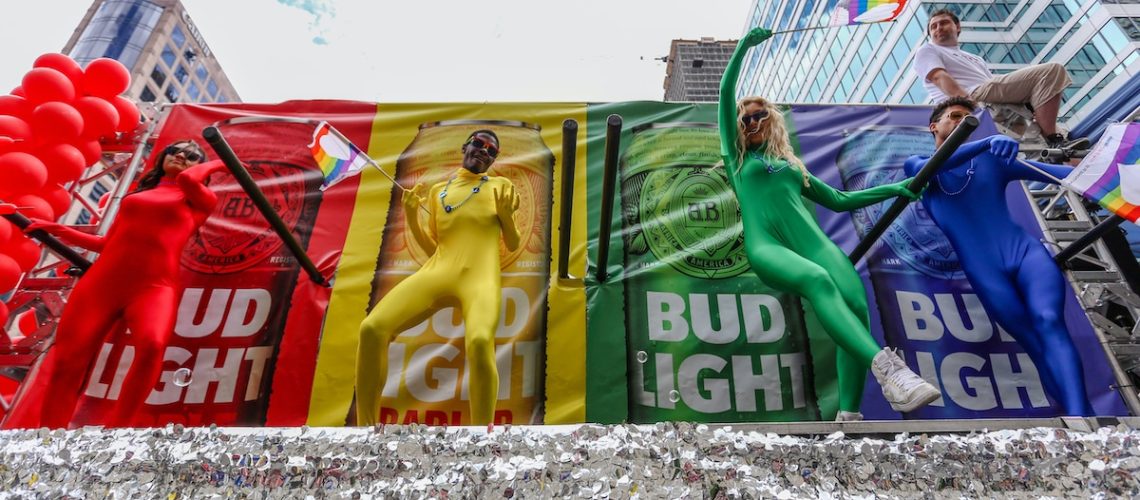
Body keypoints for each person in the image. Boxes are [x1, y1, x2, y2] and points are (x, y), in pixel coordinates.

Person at [721, 27, 941, 421]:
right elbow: (724, 97)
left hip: (814, 242)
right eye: (745, 116)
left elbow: (840, 200)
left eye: (759, 113)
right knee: (818, 282)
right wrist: (742, 50)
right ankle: (890, 371)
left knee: (856, 307)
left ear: (771, 119)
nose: (751, 120)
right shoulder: (738, 161)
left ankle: (849, 415)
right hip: (768, 247)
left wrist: (897, 187)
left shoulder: (791, 165)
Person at [2, 140, 226, 429]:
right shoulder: (137, 195)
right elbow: (107, 243)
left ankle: (120, 430)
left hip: (153, 287)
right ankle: (51, 434)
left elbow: (186, 178)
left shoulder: (200, 198)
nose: (181, 156)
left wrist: (218, 163)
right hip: (102, 284)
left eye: (192, 155)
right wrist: (59, 230)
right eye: (175, 150)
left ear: (201, 167)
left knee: (152, 345)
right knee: (69, 362)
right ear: (162, 158)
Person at [903, 96, 1094, 416]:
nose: (964, 122)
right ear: (934, 126)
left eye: (968, 117)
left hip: (1026, 254)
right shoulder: (918, 163)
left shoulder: (990, 159)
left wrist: (1104, 169)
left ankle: (1085, 417)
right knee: (1033, 343)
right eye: (955, 116)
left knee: (1049, 322)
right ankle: (1080, 418)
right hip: (985, 270)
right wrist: (987, 140)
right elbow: (932, 166)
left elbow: (1058, 174)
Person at [355, 130, 520, 426]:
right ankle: (365, 429)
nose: (484, 151)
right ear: (465, 147)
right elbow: (436, 248)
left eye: (492, 151)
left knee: (481, 341)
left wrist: (507, 218)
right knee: (372, 328)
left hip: (479, 278)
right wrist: (410, 217)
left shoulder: (500, 186)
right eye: (478, 144)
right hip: (439, 271)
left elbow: (513, 242)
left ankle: (482, 436)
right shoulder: (437, 193)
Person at [913, 8, 1086, 150]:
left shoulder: (974, 58)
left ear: (957, 27)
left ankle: (1059, 144)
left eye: (943, 23)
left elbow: (1000, 88)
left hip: (992, 99)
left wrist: (1030, 105)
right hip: (973, 96)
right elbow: (938, 76)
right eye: (933, 27)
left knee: (1054, 142)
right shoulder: (927, 50)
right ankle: (1054, 138)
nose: (938, 28)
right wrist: (967, 101)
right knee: (1051, 72)